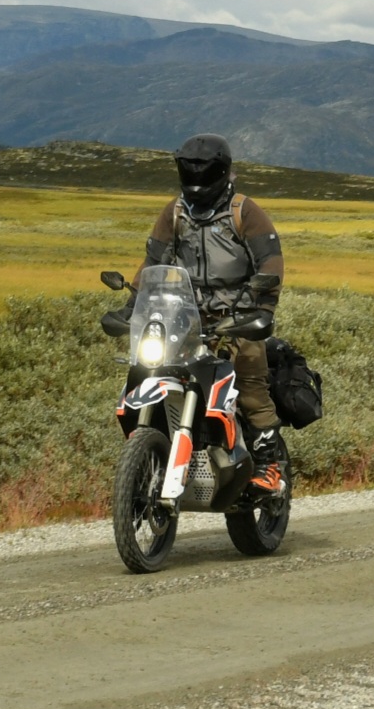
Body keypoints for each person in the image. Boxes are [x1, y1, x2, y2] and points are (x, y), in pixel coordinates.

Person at [104, 133, 287, 493]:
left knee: (249, 383)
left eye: (204, 170)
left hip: (237, 317)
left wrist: (261, 310)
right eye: (190, 169)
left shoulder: (244, 211)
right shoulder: (174, 212)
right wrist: (131, 307)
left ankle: (269, 466)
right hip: (183, 317)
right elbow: (154, 261)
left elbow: (271, 261)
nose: (197, 177)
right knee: (143, 369)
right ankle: (150, 452)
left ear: (221, 170)